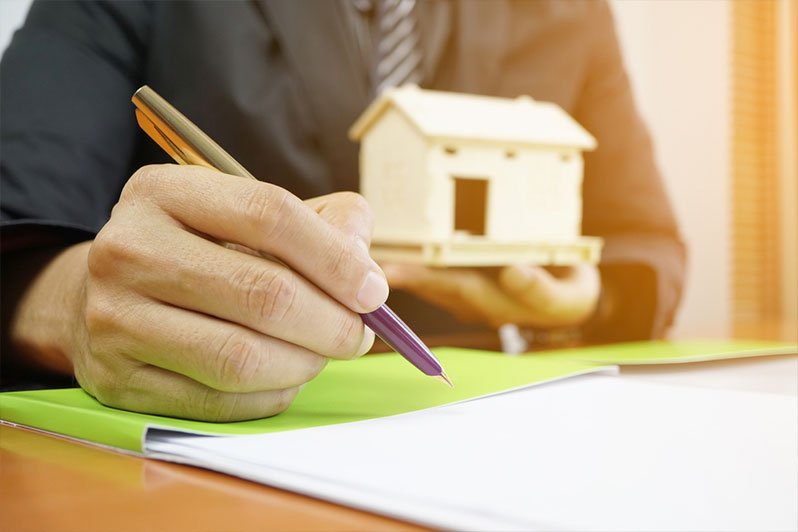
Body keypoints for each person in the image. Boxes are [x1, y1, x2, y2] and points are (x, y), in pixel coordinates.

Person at [0, 0, 685, 420]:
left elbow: (646, 242)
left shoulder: (574, 12)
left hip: (493, 418)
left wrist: (578, 302)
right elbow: (14, 217)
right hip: (209, 445)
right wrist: (73, 306)